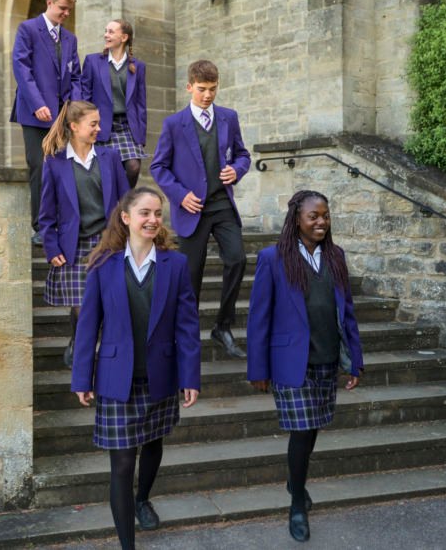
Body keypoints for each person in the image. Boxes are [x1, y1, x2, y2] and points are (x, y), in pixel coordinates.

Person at [71, 186, 202, 550]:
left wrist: (190, 375)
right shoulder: (103, 265)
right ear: (126, 218)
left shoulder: (175, 264)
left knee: (154, 443)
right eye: (145, 212)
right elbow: (88, 325)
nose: (153, 219)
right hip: (117, 379)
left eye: (158, 213)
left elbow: (187, 325)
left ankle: (143, 498)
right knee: (122, 464)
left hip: (161, 374)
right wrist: (82, 377)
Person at [245, 190, 365, 543]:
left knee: (312, 429)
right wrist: (258, 369)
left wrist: (355, 361)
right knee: (301, 431)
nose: (321, 222)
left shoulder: (336, 256)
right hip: (290, 362)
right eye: (313, 216)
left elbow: (348, 312)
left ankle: (294, 480)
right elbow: (258, 318)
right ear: (296, 219)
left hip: (327, 357)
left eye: (325, 215)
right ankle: (297, 503)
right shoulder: (273, 258)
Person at [149, 59, 251, 359]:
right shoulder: (174, 124)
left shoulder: (229, 117)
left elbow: (243, 154)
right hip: (191, 210)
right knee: (191, 275)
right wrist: (180, 196)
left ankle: (223, 326)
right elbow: (159, 167)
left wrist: (237, 169)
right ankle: (186, 334)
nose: (208, 95)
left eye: (213, 89)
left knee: (238, 259)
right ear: (189, 87)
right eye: (202, 89)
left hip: (222, 204)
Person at [39, 100, 129, 368]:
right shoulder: (55, 163)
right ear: (74, 126)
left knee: (105, 302)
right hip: (74, 245)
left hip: (108, 241)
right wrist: (51, 247)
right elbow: (46, 213)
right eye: (93, 124)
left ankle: (95, 346)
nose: (99, 129)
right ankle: (79, 342)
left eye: (98, 123)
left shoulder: (110, 157)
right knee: (81, 305)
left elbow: (127, 201)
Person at [10, 0, 81, 246]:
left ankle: (62, 223)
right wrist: (37, 103)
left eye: (69, 10)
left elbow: (75, 75)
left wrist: (73, 109)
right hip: (34, 113)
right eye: (62, 8)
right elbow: (21, 68)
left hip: (63, 117)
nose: (66, 14)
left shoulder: (70, 39)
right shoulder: (28, 29)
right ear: (49, 2)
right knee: (40, 167)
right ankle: (40, 227)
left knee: (62, 168)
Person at [80, 19, 148, 189]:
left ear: (124, 37)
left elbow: (140, 103)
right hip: (101, 126)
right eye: (106, 31)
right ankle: (112, 202)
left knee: (133, 167)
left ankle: (124, 201)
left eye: (111, 32)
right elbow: (85, 97)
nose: (106, 35)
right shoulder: (92, 61)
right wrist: (85, 127)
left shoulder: (138, 66)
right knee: (106, 172)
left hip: (127, 127)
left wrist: (141, 135)